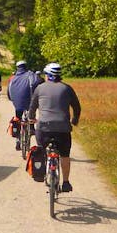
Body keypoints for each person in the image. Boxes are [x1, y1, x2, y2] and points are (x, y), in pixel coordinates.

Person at [28, 62, 80, 193]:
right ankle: (66, 182)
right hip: (63, 129)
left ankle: (42, 171)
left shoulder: (40, 88)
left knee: (41, 150)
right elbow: (77, 107)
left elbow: (32, 107)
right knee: (65, 155)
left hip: (43, 128)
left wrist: (31, 118)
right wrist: (74, 120)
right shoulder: (67, 88)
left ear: (48, 75)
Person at [7, 60, 41, 150]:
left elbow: (9, 92)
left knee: (18, 118)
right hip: (29, 102)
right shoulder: (30, 75)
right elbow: (38, 81)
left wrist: (13, 100)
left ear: (17, 68)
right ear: (25, 66)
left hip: (17, 103)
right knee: (31, 112)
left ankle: (18, 140)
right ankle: (31, 127)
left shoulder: (12, 78)